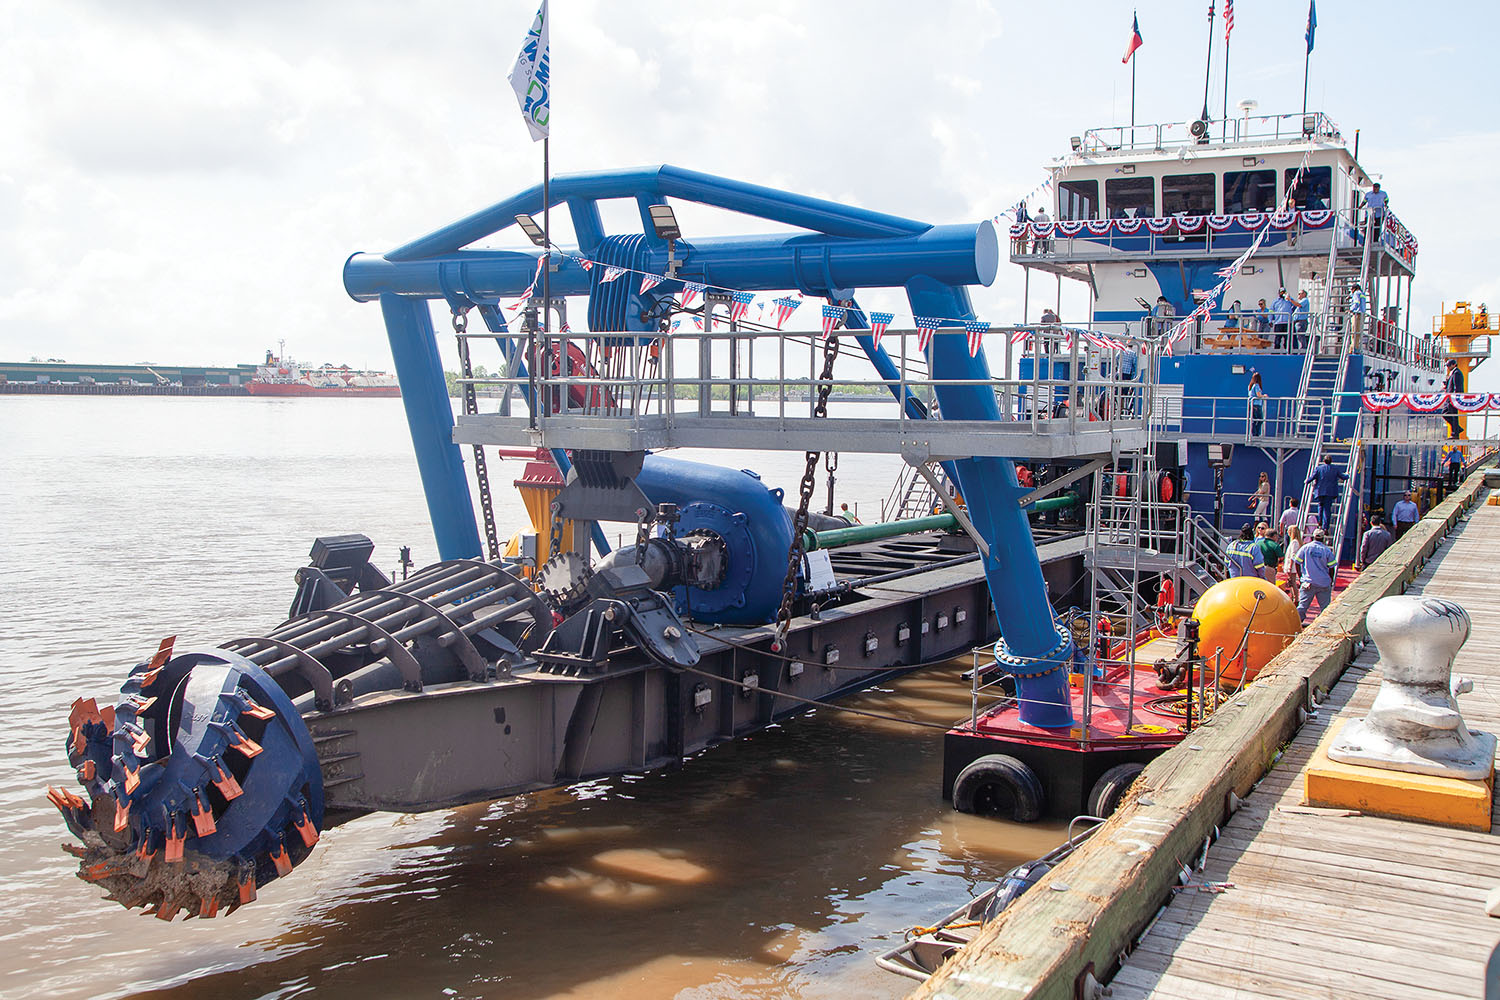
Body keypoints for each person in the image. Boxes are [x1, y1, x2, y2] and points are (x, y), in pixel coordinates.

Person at [1294, 528, 1338, 622]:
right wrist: (1330, 580)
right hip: (1323, 582)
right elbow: (1331, 568)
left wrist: (1301, 576)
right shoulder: (1326, 550)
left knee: (1302, 606)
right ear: (1323, 538)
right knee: (1325, 608)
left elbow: (1297, 562)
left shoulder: (1305, 548)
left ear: (1313, 537)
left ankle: (1296, 623)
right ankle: (1324, 625)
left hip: (1308, 582)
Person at [1305, 455, 1347, 532]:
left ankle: (1320, 521)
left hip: (1320, 491)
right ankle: (1325, 527)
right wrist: (1348, 475)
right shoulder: (1335, 469)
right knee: (1327, 510)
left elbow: (1313, 477)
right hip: (1330, 492)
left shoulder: (1319, 468)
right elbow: (1343, 477)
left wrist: (1307, 481)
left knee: (1320, 506)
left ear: (1324, 461)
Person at [1443, 359, 1464, 439]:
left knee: (1454, 415)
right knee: (1445, 413)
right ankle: (1457, 429)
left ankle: (1455, 433)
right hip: (1449, 398)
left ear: (1454, 364)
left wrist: (1455, 398)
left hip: (1453, 398)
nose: (1448, 367)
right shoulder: (1452, 373)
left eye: (1449, 365)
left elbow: (1457, 387)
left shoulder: (1457, 373)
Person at [1282, 525, 1303, 594]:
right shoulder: (1296, 542)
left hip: (1292, 565)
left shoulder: (1294, 542)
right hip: (1292, 565)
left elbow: (1293, 555)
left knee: (1293, 582)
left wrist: (1290, 567)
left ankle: (1296, 597)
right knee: (1291, 582)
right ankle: (1294, 597)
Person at [1247, 372, 1267, 437]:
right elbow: (1258, 395)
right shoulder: (1256, 385)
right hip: (1257, 405)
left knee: (1254, 420)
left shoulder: (1250, 386)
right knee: (1260, 419)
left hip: (1251, 404)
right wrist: (1264, 396)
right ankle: (1256, 434)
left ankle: (1254, 433)